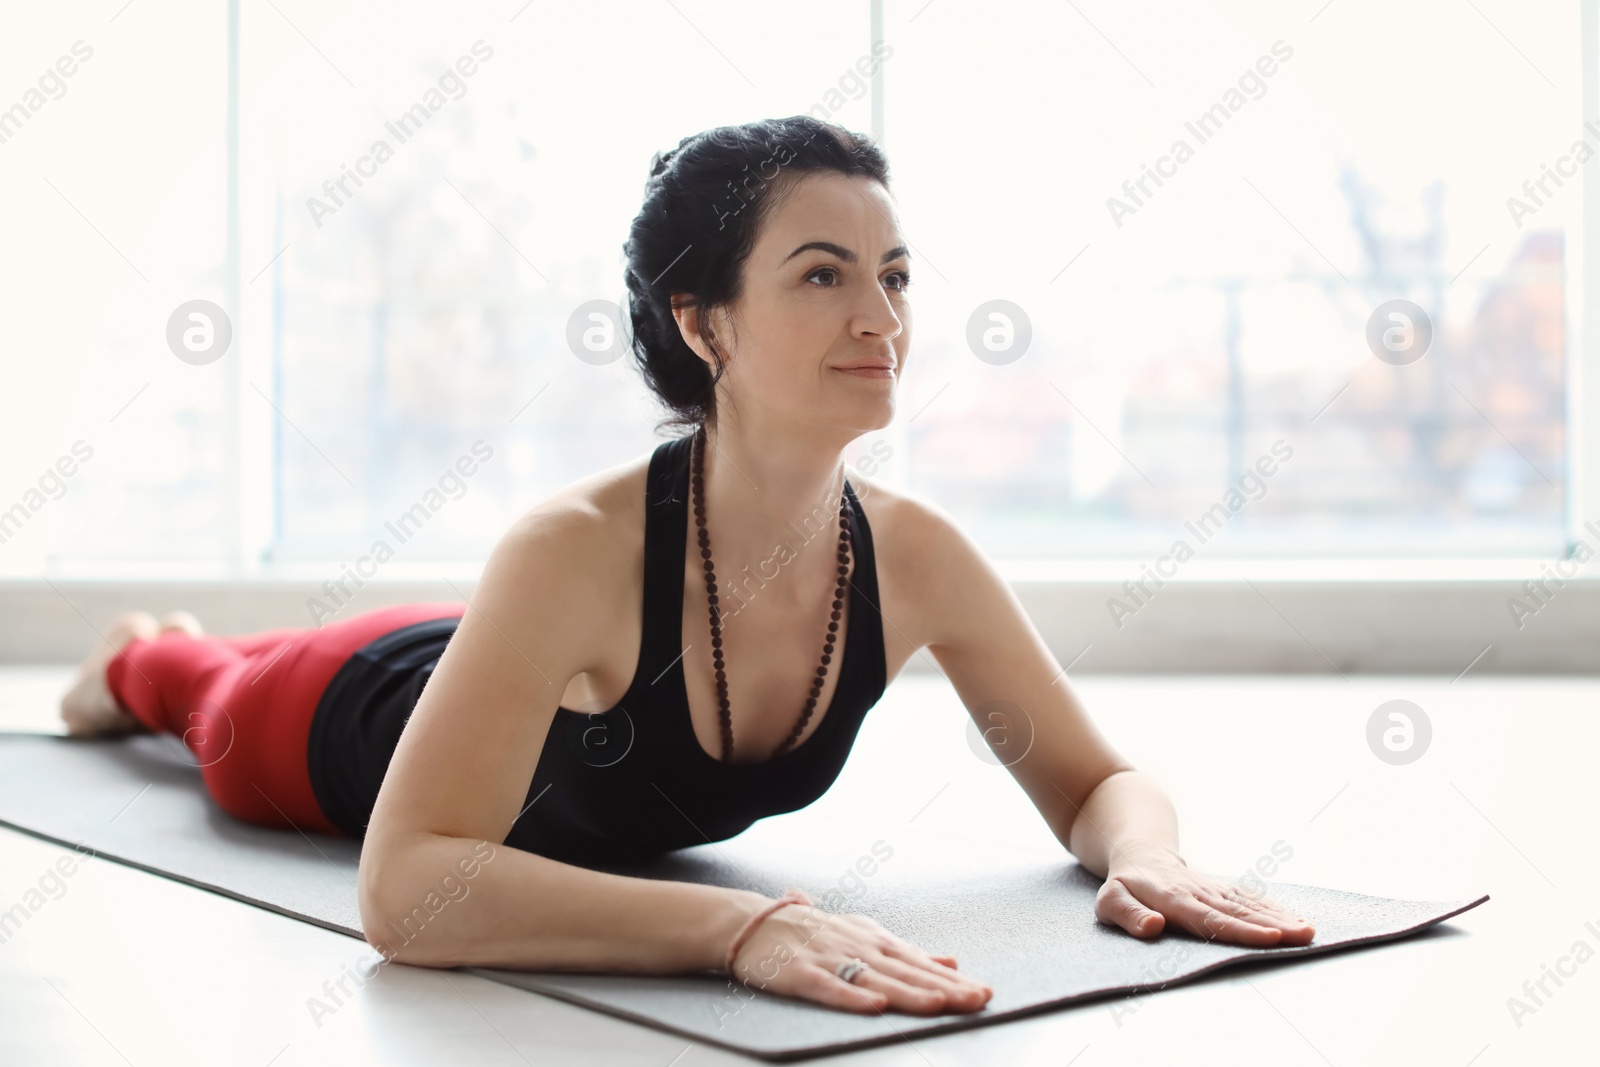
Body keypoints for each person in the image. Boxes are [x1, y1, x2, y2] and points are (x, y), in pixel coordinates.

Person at [59, 116, 1314, 1018]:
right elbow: (404, 889)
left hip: (498, 655)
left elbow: (1096, 778)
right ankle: (144, 649)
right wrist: (738, 925)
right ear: (700, 320)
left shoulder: (916, 553)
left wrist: (1145, 849)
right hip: (333, 706)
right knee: (191, 689)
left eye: (893, 276)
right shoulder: (568, 547)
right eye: (822, 275)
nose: (880, 318)